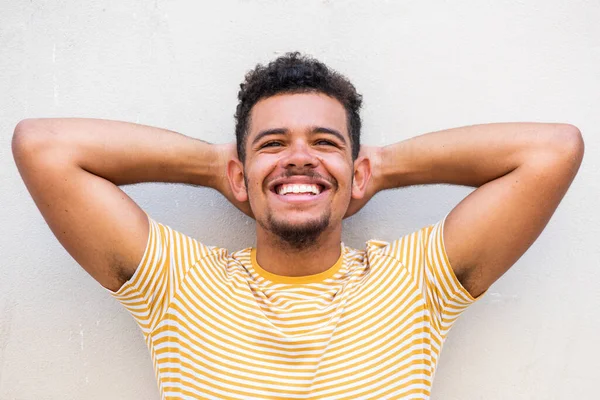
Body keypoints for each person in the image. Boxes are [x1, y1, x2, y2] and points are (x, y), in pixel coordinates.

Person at [11, 52, 584, 399]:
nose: (300, 157)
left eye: (325, 143)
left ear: (357, 169)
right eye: (273, 144)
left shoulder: (415, 281)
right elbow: (44, 147)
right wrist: (223, 169)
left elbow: (552, 150)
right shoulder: (178, 283)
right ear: (240, 173)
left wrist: (372, 169)